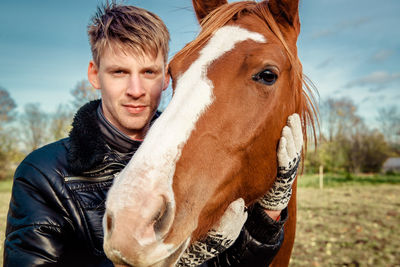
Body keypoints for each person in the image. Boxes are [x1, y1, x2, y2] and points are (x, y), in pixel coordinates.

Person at [4, 3, 302, 267]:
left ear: (165, 75)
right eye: (119, 72)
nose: (136, 91)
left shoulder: (192, 160)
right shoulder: (42, 175)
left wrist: (271, 210)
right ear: (95, 75)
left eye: (149, 72)